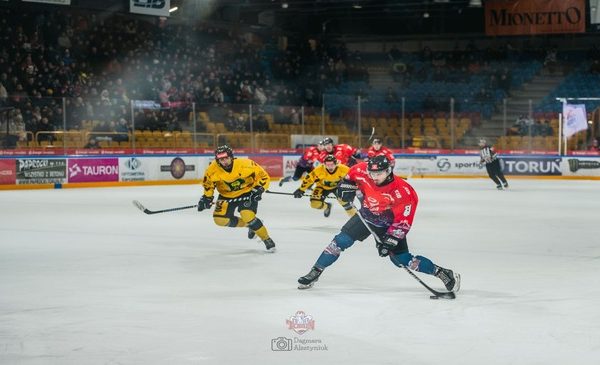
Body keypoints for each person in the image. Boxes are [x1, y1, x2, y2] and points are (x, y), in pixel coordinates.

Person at [297, 156, 460, 293]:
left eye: (379, 173)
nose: (374, 177)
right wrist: (345, 188)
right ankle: (315, 272)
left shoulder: (403, 192)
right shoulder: (361, 170)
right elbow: (349, 177)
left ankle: (442, 272)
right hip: (365, 216)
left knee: (401, 261)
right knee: (338, 242)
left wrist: (389, 241)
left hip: (388, 225)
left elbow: (402, 222)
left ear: (389, 171)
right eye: (372, 173)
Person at [198, 145, 276, 252]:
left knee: (247, 215)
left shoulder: (246, 164)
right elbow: (208, 185)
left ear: (231, 157)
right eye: (221, 159)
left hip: (247, 193)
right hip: (225, 195)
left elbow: (263, 176)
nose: (224, 161)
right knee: (220, 220)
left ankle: (266, 238)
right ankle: (250, 226)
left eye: (226, 158)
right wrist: (206, 198)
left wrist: (259, 189)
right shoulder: (212, 169)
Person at [292, 154, 356, 218]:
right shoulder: (319, 169)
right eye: (327, 165)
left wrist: (356, 188)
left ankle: (355, 218)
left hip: (338, 187)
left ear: (336, 163)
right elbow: (308, 179)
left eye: (332, 165)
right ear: (324, 164)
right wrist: (301, 190)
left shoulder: (343, 169)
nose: (330, 167)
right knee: (315, 204)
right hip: (322, 187)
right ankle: (327, 206)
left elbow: (354, 177)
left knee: (345, 202)